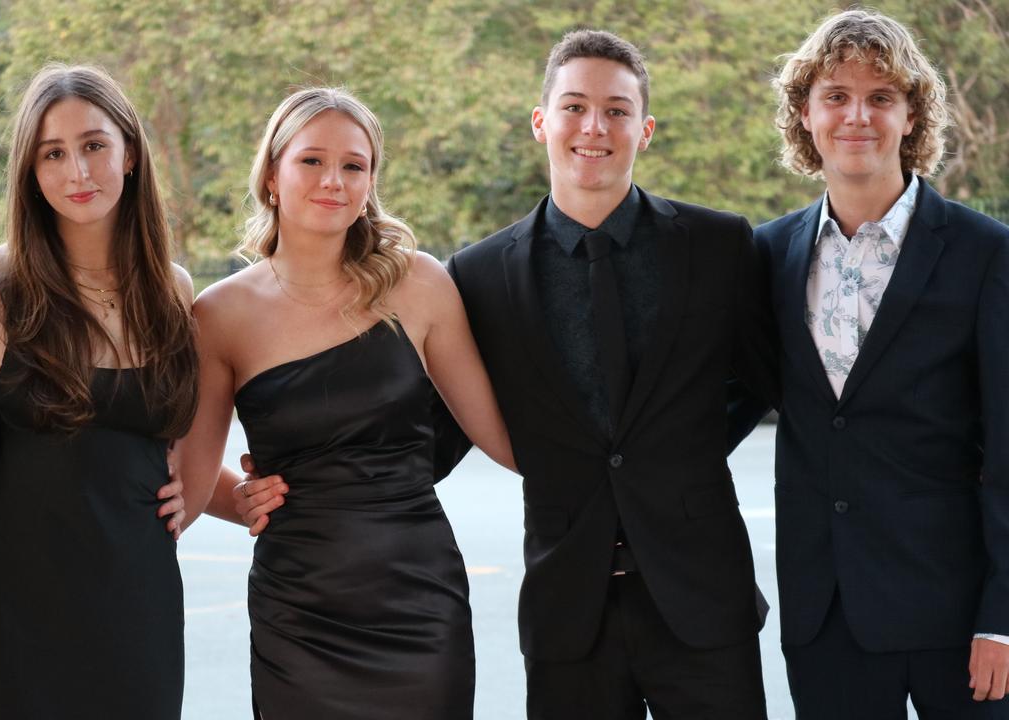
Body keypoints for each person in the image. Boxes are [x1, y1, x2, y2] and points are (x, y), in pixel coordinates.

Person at [240, 30, 780, 719]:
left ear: (644, 129)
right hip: (567, 612)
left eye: (617, 111)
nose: (594, 127)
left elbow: (764, 379)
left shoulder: (719, 245)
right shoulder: (480, 275)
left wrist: (684, 449)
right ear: (541, 122)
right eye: (575, 106)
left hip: (704, 601)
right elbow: (428, 433)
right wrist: (304, 476)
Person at [177, 87, 516, 720]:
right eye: (311, 161)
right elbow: (189, 484)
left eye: (354, 165)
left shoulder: (419, 285)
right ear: (272, 176)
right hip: (297, 610)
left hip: (418, 601)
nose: (333, 180)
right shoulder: (218, 315)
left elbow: (503, 437)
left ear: (370, 183)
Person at [744, 9, 1009, 717]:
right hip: (825, 613)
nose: (856, 115)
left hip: (957, 613)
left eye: (881, 96)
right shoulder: (766, 256)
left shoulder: (986, 253)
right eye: (835, 95)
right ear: (805, 114)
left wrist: (1002, 617)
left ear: (913, 116)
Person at [0, 65, 192, 719]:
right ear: (30, 169)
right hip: (14, 600)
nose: (78, 171)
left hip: (140, 598)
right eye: (54, 153)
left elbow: (169, 457)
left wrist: (244, 497)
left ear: (130, 153)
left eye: (94, 145)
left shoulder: (174, 291)